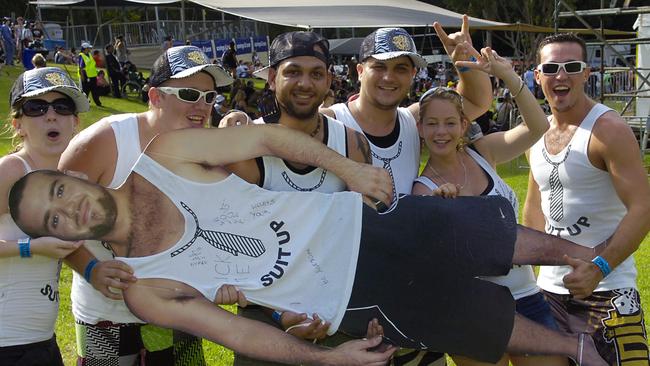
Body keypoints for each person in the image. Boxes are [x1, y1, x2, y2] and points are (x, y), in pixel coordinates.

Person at [8, 125, 612, 366]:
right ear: (54, 239)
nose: (71, 209)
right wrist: (329, 359)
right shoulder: (143, 289)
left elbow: (270, 137)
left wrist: (346, 170)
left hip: (361, 223)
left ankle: (593, 266)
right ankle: (579, 346)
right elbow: (239, 334)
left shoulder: (162, 155)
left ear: (79, 174)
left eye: (60, 190)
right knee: (474, 325)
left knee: (493, 238)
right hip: (346, 298)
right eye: (53, 219)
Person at [59, 45, 237, 366]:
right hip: (106, 316)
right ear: (155, 97)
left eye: (210, 97)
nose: (202, 106)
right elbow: (54, 219)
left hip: (176, 311)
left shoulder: (207, 153)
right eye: (188, 94)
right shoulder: (105, 141)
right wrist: (91, 268)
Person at [222, 31, 379, 366]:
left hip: (337, 307)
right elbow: (234, 244)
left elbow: (363, 235)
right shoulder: (245, 148)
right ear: (271, 77)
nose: (305, 83)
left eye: (316, 74)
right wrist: (281, 316)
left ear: (328, 82)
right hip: (266, 315)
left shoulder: (351, 144)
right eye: (293, 71)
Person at [413, 48, 566, 366]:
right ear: (420, 128)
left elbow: (537, 128)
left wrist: (508, 75)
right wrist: (442, 212)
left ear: (463, 123)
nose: (441, 132)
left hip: (526, 296)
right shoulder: (423, 189)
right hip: (473, 308)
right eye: (432, 124)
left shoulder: (484, 152)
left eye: (449, 123)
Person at [523, 33, 650, 365]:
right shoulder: (535, 132)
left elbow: (643, 207)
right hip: (548, 295)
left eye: (571, 67)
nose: (560, 75)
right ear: (537, 75)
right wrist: (525, 277)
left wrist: (599, 267)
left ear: (586, 74)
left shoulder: (608, 129)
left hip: (608, 291)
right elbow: (535, 208)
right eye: (551, 67)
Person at [0, 67, 89, 365]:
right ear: (18, 124)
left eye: (62, 107)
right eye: (36, 108)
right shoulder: (12, 171)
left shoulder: (71, 179)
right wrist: (30, 247)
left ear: (75, 122)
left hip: (41, 340)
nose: (51, 115)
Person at [78, 42, 102, 107]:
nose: (90, 49)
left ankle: (98, 103)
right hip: (86, 76)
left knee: (95, 90)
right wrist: (82, 77)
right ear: (85, 49)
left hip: (93, 76)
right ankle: (83, 104)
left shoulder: (89, 54)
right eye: (88, 48)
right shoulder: (82, 56)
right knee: (86, 91)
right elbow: (81, 68)